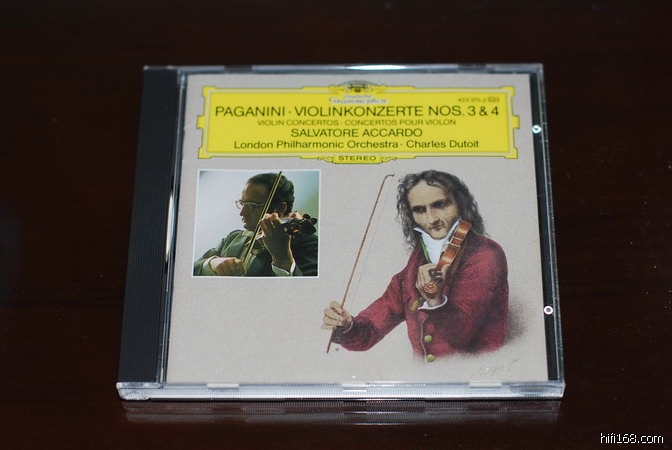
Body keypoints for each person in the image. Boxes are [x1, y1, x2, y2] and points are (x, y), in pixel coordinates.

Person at [322, 170, 508, 362]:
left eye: (440, 205)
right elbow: (370, 332)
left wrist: (435, 301)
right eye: (420, 210)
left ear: (460, 204)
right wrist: (347, 325)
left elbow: (461, 336)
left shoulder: (485, 254)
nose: (431, 219)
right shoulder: (414, 266)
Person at [193, 172, 318, 277]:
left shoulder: (308, 243)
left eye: (253, 205)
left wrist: (282, 258)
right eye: (242, 204)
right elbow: (193, 270)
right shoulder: (233, 238)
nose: (242, 213)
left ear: (281, 208)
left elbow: (307, 292)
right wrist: (213, 263)